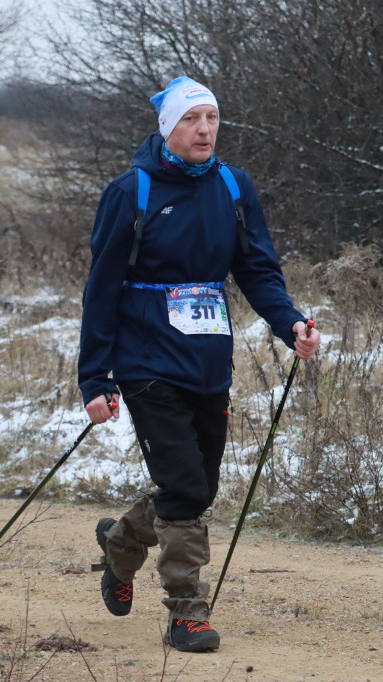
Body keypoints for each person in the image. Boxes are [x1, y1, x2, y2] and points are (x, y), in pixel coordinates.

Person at [77, 75, 321, 653]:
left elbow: (257, 270)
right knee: (186, 485)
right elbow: (101, 288)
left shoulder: (233, 186)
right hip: (145, 359)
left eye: (211, 118)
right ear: (168, 128)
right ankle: (187, 612)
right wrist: (96, 377)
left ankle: (121, 541)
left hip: (209, 359)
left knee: (196, 484)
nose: (204, 129)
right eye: (192, 119)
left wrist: (290, 323)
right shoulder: (131, 190)